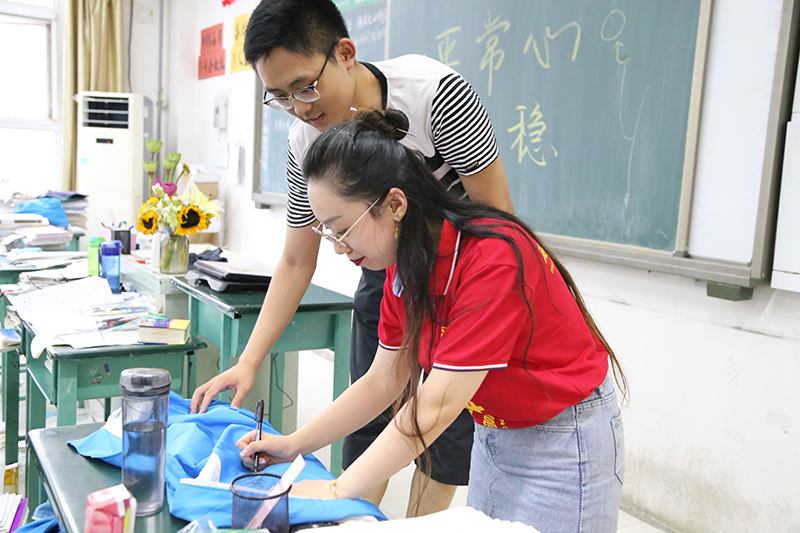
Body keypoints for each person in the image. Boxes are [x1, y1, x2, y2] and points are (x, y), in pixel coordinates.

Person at [190, 0, 514, 516]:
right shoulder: (304, 141)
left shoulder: (436, 96)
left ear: (344, 53)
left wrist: (468, 294)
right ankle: (353, 518)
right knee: (369, 412)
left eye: (304, 87)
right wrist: (248, 362)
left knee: (444, 428)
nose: (298, 107)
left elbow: (497, 220)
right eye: (279, 96)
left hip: (464, 276)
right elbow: (297, 260)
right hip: (389, 267)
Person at [236, 111, 628, 533]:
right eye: (328, 233)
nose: (337, 247)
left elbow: (435, 406)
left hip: (562, 441)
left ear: (395, 204)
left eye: (341, 229)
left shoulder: (492, 259)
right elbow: (382, 380)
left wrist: (337, 490)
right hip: (495, 431)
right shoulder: (403, 264)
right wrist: (294, 445)